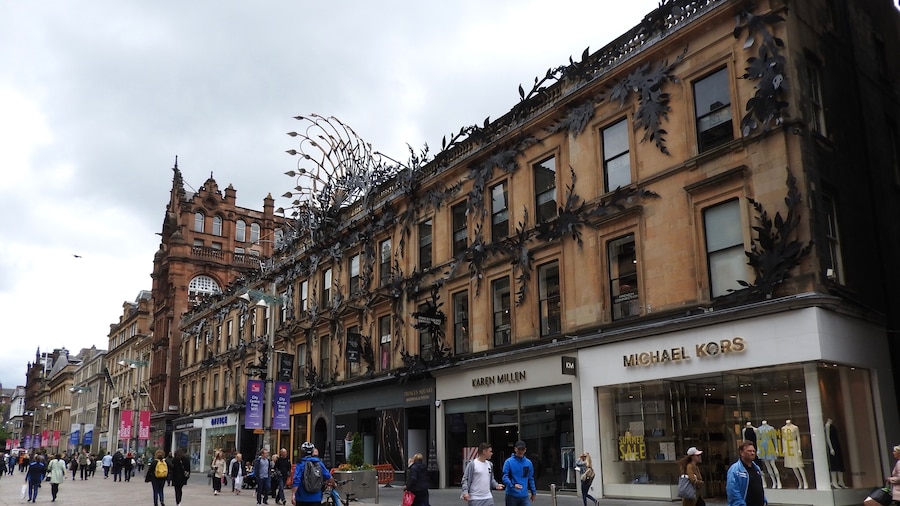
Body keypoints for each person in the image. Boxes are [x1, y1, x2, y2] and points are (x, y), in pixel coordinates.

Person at [726, 441, 766, 506]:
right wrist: (740, 504)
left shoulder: (756, 468)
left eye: (753, 451)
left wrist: (764, 500)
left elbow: (759, 488)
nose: (752, 453)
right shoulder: (735, 470)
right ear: (741, 452)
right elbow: (732, 491)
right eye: (749, 451)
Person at [291, 442, 332, 506]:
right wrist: (334, 483)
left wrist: (293, 494)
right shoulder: (319, 463)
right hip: (316, 498)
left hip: (302, 498)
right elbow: (328, 476)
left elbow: (296, 479)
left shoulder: (301, 464)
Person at [502, 440, 536, 506]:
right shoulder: (508, 462)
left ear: (525, 450)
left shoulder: (528, 463)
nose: (520, 451)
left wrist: (533, 492)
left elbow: (530, 478)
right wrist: (513, 485)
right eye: (519, 449)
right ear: (515, 449)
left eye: (522, 449)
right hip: (511, 495)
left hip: (524, 495)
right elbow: (504, 477)